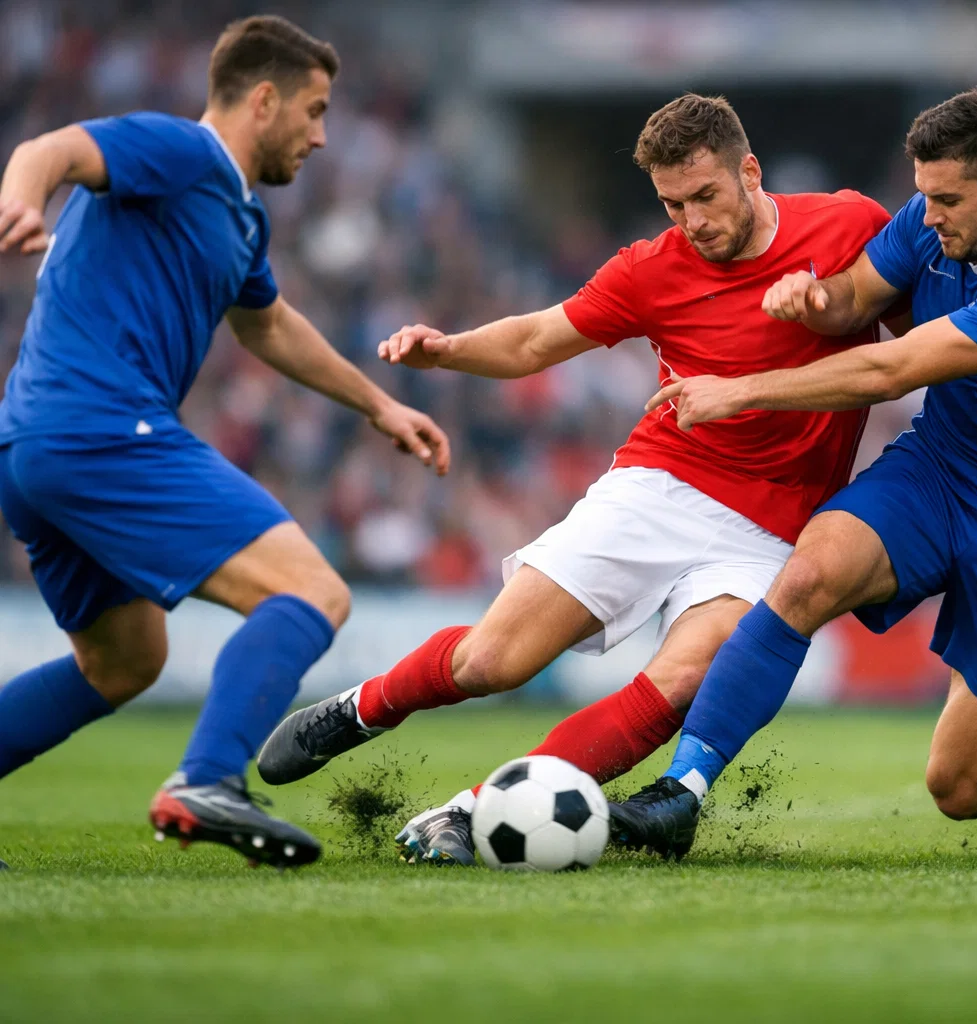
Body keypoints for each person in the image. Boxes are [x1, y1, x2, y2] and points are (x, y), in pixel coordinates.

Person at [256, 94, 894, 865]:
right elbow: (533, 342)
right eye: (672, 204)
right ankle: (366, 707)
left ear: (749, 172)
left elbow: (922, 322)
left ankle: (476, 813)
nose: (691, 221)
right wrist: (447, 348)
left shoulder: (849, 224)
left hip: (773, 530)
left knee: (687, 677)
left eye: (705, 197)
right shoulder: (652, 269)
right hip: (661, 485)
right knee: (494, 662)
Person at [605, 89, 977, 861]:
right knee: (808, 575)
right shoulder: (930, 221)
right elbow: (857, 296)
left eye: (948, 199)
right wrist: (815, 299)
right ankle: (680, 791)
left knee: (959, 789)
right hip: (941, 472)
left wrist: (742, 390)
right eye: (923, 195)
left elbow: (891, 368)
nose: (929, 214)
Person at [0, 16, 451, 868]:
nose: (321, 136)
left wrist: (378, 405)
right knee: (312, 590)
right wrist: (21, 198)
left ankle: (204, 775)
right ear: (265, 98)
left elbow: (269, 325)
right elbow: (54, 147)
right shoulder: (183, 154)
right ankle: (207, 779)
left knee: (124, 661)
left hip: (36, 447)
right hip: (100, 428)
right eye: (314, 112)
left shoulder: (238, 218)